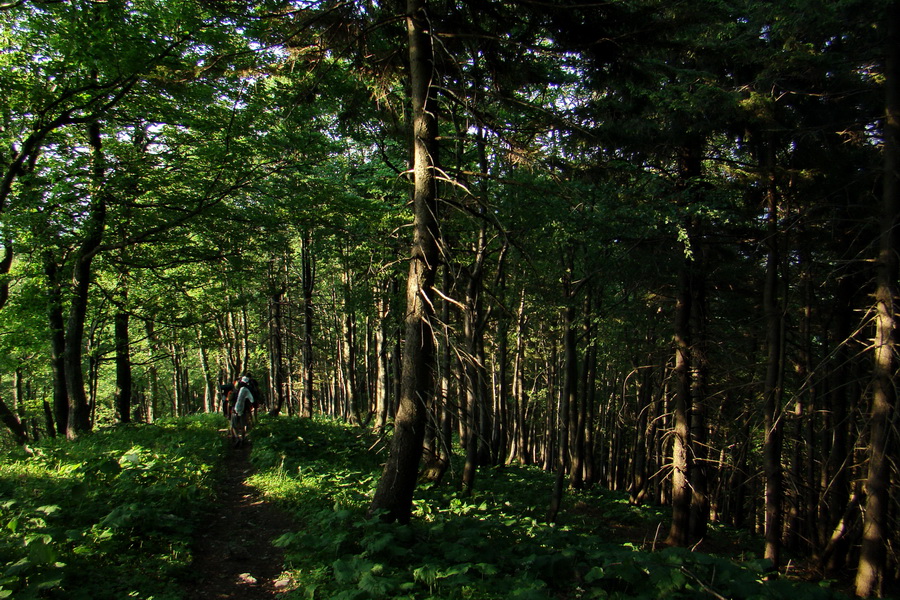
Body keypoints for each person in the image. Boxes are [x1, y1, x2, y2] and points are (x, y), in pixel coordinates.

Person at [230, 376, 254, 447]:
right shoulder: (247, 389)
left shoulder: (236, 389)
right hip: (244, 410)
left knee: (233, 425)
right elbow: (252, 400)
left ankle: (237, 438)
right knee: (243, 425)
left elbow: (231, 400)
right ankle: (243, 439)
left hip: (234, 409)